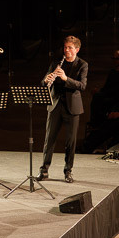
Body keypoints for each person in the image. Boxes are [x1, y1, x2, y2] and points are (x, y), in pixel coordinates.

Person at [41, 35, 88, 183]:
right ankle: (44, 170)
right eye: (65, 47)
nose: (66, 50)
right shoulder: (56, 63)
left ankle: (68, 171)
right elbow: (43, 82)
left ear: (77, 49)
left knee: (70, 141)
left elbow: (82, 86)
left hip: (72, 107)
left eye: (70, 48)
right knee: (49, 140)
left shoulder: (82, 64)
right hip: (55, 105)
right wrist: (47, 79)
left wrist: (66, 78)